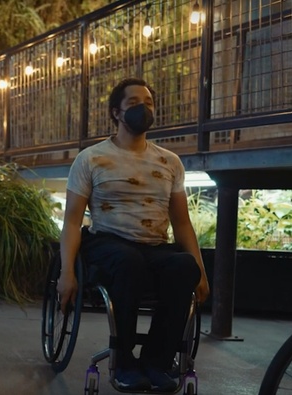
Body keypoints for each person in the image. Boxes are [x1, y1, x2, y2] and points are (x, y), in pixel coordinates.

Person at [56, 78, 210, 391]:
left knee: (184, 268)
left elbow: (182, 224)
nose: (144, 109)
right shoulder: (91, 159)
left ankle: (157, 362)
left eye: (149, 103)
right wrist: (66, 272)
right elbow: (72, 221)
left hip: (155, 246)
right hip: (108, 243)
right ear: (116, 113)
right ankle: (123, 361)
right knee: (128, 262)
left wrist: (201, 272)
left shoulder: (169, 162)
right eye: (134, 103)